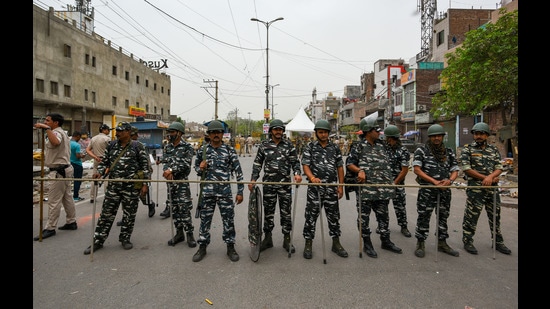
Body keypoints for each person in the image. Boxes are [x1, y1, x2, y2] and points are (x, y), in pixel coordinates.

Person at [83, 122, 151, 254]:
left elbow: (145, 167)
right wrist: (100, 172)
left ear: (128, 132)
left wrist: (145, 184)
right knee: (106, 214)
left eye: (120, 131)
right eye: (117, 130)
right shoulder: (112, 145)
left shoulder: (138, 146)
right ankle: (98, 240)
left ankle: (125, 238)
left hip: (131, 187)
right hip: (114, 186)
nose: (117, 133)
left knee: (129, 214)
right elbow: (106, 162)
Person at [346, 118, 401, 258]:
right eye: (376, 130)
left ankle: (385, 240)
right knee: (363, 218)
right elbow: (349, 163)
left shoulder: (382, 145)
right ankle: (367, 243)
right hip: (366, 191)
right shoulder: (358, 146)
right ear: (368, 132)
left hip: (382, 189)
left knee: (384, 217)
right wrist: (359, 171)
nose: (379, 132)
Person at [192, 120, 244, 262]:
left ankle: (230, 246)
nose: (216, 135)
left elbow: (238, 172)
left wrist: (240, 192)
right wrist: (200, 168)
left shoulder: (229, 150)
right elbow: (196, 169)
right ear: (209, 134)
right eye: (213, 132)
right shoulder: (203, 150)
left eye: (218, 132)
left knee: (228, 220)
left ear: (222, 134)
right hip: (207, 193)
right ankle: (202, 246)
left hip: (225, 193)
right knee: (205, 221)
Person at [249, 119, 303, 254]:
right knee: (268, 212)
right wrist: (253, 179)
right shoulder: (264, 146)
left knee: (285, 212)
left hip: (285, 185)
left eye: (280, 129)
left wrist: (297, 174)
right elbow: (257, 164)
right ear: (271, 131)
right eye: (275, 129)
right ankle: (267, 239)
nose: (278, 131)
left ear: (283, 131)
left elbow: (295, 163)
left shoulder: (289, 146)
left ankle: (286, 239)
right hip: (269, 185)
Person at [461, 122, 511, 255]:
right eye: (476, 134)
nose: (478, 136)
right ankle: (468, 240)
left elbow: (499, 167)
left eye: (481, 134)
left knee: (495, 216)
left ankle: (498, 242)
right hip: (476, 190)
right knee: (471, 216)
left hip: (492, 190)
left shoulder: (493, 150)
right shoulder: (467, 149)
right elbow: (466, 169)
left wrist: (492, 177)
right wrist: (486, 178)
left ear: (487, 135)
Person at [301, 119, 348, 259]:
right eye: (320, 132)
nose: (323, 135)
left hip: (331, 188)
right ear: (316, 133)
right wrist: (311, 178)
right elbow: (305, 165)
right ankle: (308, 243)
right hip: (315, 190)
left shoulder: (334, 148)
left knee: (333, 217)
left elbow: (340, 167)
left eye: (325, 132)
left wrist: (341, 186)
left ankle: (336, 243)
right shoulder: (309, 147)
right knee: (311, 217)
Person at [412, 124, 460, 258]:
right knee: (423, 216)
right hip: (427, 190)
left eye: (439, 136)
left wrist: (449, 181)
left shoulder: (449, 151)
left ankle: (442, 242)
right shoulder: (421, 151)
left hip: (444, 190)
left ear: (443, 137)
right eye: (434, 136)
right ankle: (420, 243)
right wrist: (433, 181)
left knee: (443, 217)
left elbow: (455, 169)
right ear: (430, 137)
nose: (437, 138)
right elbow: (416, 169)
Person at [33, 113, 78, 240]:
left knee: (54, 200)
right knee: (67, 197)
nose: (46, 122)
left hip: (59, 171)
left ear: (56, 122)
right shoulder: (60, 132)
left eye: (48, 121)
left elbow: (56, 142)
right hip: (64, 169)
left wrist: (46, 129)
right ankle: (71, 221)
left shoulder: (56, 133)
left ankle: (50, 227)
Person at [162, 122, 197, 248]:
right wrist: (166, 171)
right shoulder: (167, 147)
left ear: (179, 133)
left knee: (184, 208)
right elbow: (165, 162)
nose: (170, 134)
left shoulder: (187, 147)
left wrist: (171, 170)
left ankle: (190, 234)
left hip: (182, 182)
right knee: (174, 208)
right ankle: (179, 233)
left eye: (172, 132)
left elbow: (186, 165)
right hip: (171, 183)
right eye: (169, 132)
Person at [116, 126, 156, 225]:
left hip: (139, 175)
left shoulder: (140, 146)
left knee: (142, 195)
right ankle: (125, 217)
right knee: (125, 198)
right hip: (127, 176)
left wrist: (147, 178)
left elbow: (146, 163)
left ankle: (150, 204)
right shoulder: (122, 145)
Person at [383, 125, 412, 237]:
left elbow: (404, 170)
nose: (388, 140)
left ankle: (403, 226)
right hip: (384, 184)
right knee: (382, 207)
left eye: (389, 138)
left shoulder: (403, 151)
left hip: (397, 183)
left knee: (400, 206)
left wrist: (394, 183)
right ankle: (382, 226)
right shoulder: (384, 149)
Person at [86, 124, 112, 203]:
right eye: (108, 130)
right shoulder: (107, 139)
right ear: (104, 130)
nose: (109, 131)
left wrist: (95, 157)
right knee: (107, 178)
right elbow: (112, 150)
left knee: (95, 178)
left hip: (97, 160)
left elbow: (88, 150)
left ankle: (92, 197)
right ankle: (107, 196)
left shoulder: (93, 138)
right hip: (106, 160)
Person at [70, 131, 86, 202]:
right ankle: (75, 197)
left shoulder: (68, 143)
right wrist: (82, 155)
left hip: (69, 163)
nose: (79, 139)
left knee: (68, 181)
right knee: (77, 180)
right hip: (77, 164)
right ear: (77, 136)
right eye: (79, 137)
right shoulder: (77, 145)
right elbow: (77, 156)